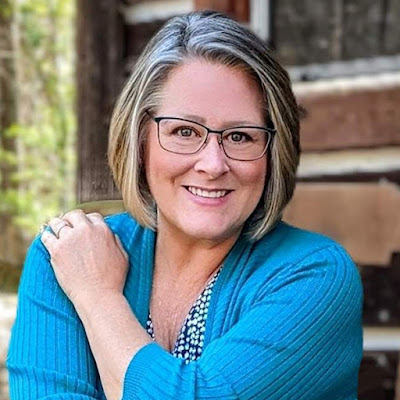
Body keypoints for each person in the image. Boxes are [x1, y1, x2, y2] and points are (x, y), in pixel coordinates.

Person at [7, 10, 362, 400]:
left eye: (240, 136)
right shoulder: (67, 255)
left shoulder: (315, 276)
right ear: (139, 140)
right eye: (184, 131)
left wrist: (99, 298)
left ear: (274, 152)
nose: (213, 164)